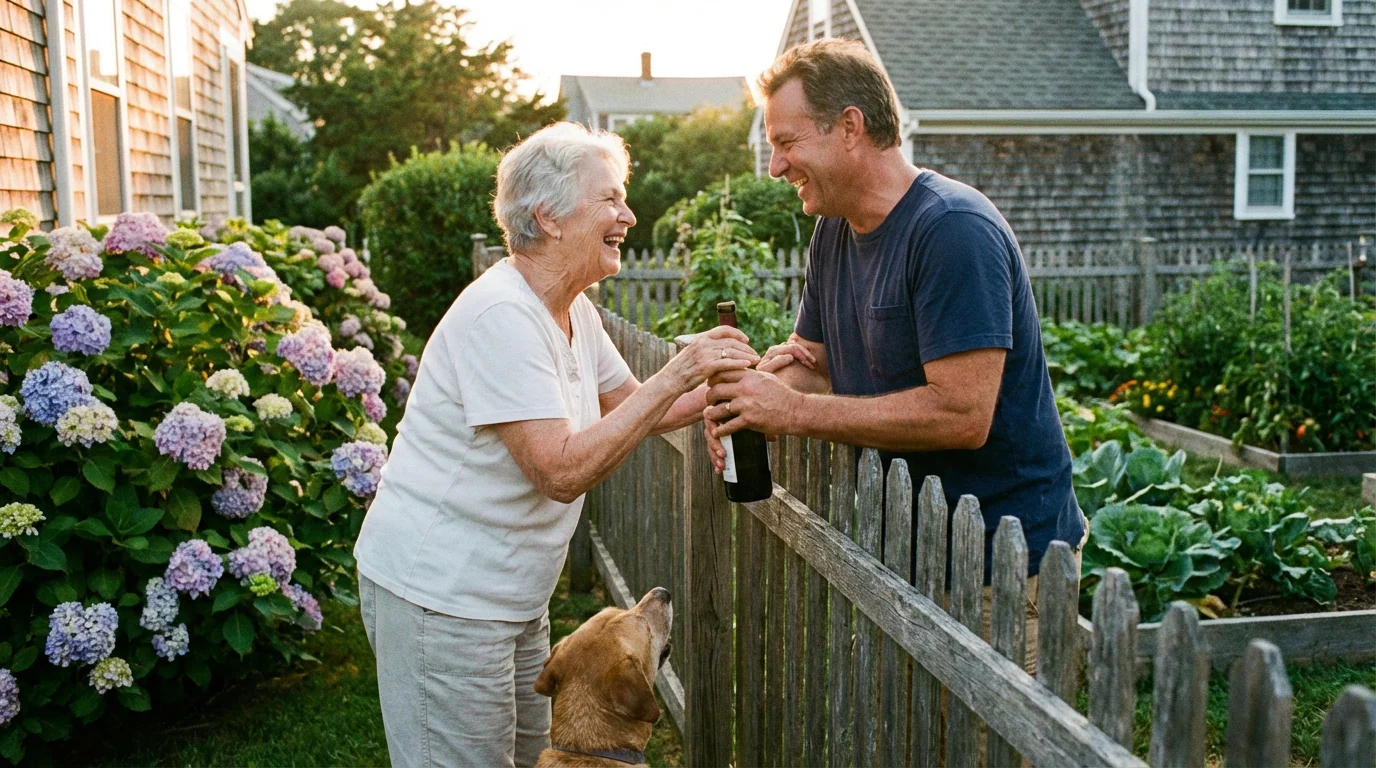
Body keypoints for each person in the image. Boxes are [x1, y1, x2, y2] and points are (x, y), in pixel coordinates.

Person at [353, 122, 758, 768]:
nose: (627, 214)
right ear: (548, 216)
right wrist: (680, 370)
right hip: (444, 597)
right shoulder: (502, 318)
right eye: (610, 199)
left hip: (513, 598)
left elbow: (635, 407)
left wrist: (746, 388)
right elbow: (559, 470)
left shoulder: (573, 310)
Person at [704, 39, 1087, 664]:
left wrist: (790, 412)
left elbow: (963, 415)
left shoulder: (953, 230)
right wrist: (752, 398)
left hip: (1004, 561)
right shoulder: (832, 231)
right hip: (908, 547)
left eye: (788, 142)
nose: (775, 166)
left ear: (850, 127)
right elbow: (812, 363)